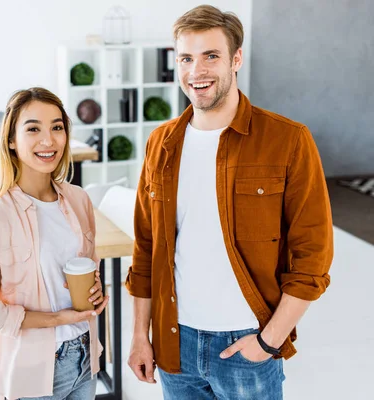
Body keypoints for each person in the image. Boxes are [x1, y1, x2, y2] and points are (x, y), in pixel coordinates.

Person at [125, 5, 333, 400]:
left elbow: (313, 258)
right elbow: (145, 249)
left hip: (247, 344)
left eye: (211, 56)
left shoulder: (288, 140)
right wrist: (141, 335)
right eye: (186, 58)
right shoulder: (161, 144)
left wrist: (268, 342)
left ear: (236, 59)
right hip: (175, 344)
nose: (196, 71)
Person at [0, 87, 108, 400]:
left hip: (84, 355)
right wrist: (56, 320)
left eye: (57, 127)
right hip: (32, 368)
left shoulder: (78, 199)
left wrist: (96, 289)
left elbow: (86, 267)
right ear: (12, 141)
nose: (48, 140)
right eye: (33, 129)